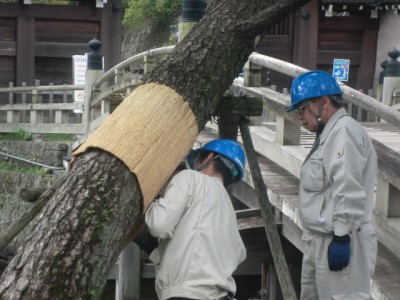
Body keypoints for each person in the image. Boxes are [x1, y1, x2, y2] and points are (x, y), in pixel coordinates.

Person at [287, 70, 377, 299]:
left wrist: (342, 236)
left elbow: (348, 187)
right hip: (320, 239)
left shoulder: (344, 131)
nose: (300, 117)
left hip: (340, 239)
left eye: (302, 109)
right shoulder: (329, 133)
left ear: (323, 102)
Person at [144, 139, 247, 300]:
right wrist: (155, 251)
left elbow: (159, 225)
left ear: (210, 157)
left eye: (199, 158)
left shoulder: (189, 178)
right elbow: (238, 253)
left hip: (186, 294)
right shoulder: (228, 208)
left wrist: (148, 206)